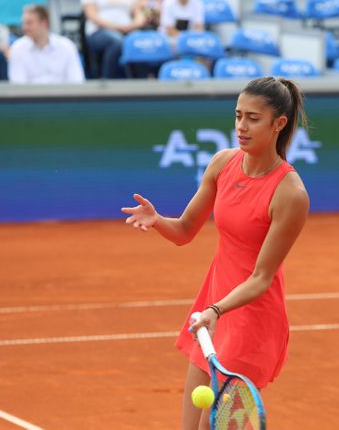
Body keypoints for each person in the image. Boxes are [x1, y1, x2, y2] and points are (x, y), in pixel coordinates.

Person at [121, 76, 310, 430]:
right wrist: (158, 220)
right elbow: (184, 232)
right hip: (213, 306)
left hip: (249, 314)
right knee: (189, 426)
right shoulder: (223, 164)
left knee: (215, 424)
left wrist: (216, 309)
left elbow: (262, 277)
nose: (241, 126)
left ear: (278, 124)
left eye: (253, 118)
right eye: (238, 116)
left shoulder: (290, 193)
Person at [81, 0, 148, 79]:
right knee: (116, 42)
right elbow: (91, 15)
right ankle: (107, 82)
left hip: (127, 31)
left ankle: (142, 83)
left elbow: (138, 13)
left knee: (141, 41)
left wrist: (135, 24)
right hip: (99, 32)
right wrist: (117, 27)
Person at [8, 4, 84, 84]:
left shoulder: (67, 46)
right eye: (24, 23)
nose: (24, 28)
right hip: (29, 96)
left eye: (29, 23)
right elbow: (17, 86)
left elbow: (77, 81)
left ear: (44, 23)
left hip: (62, 95)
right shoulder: (17, 48)